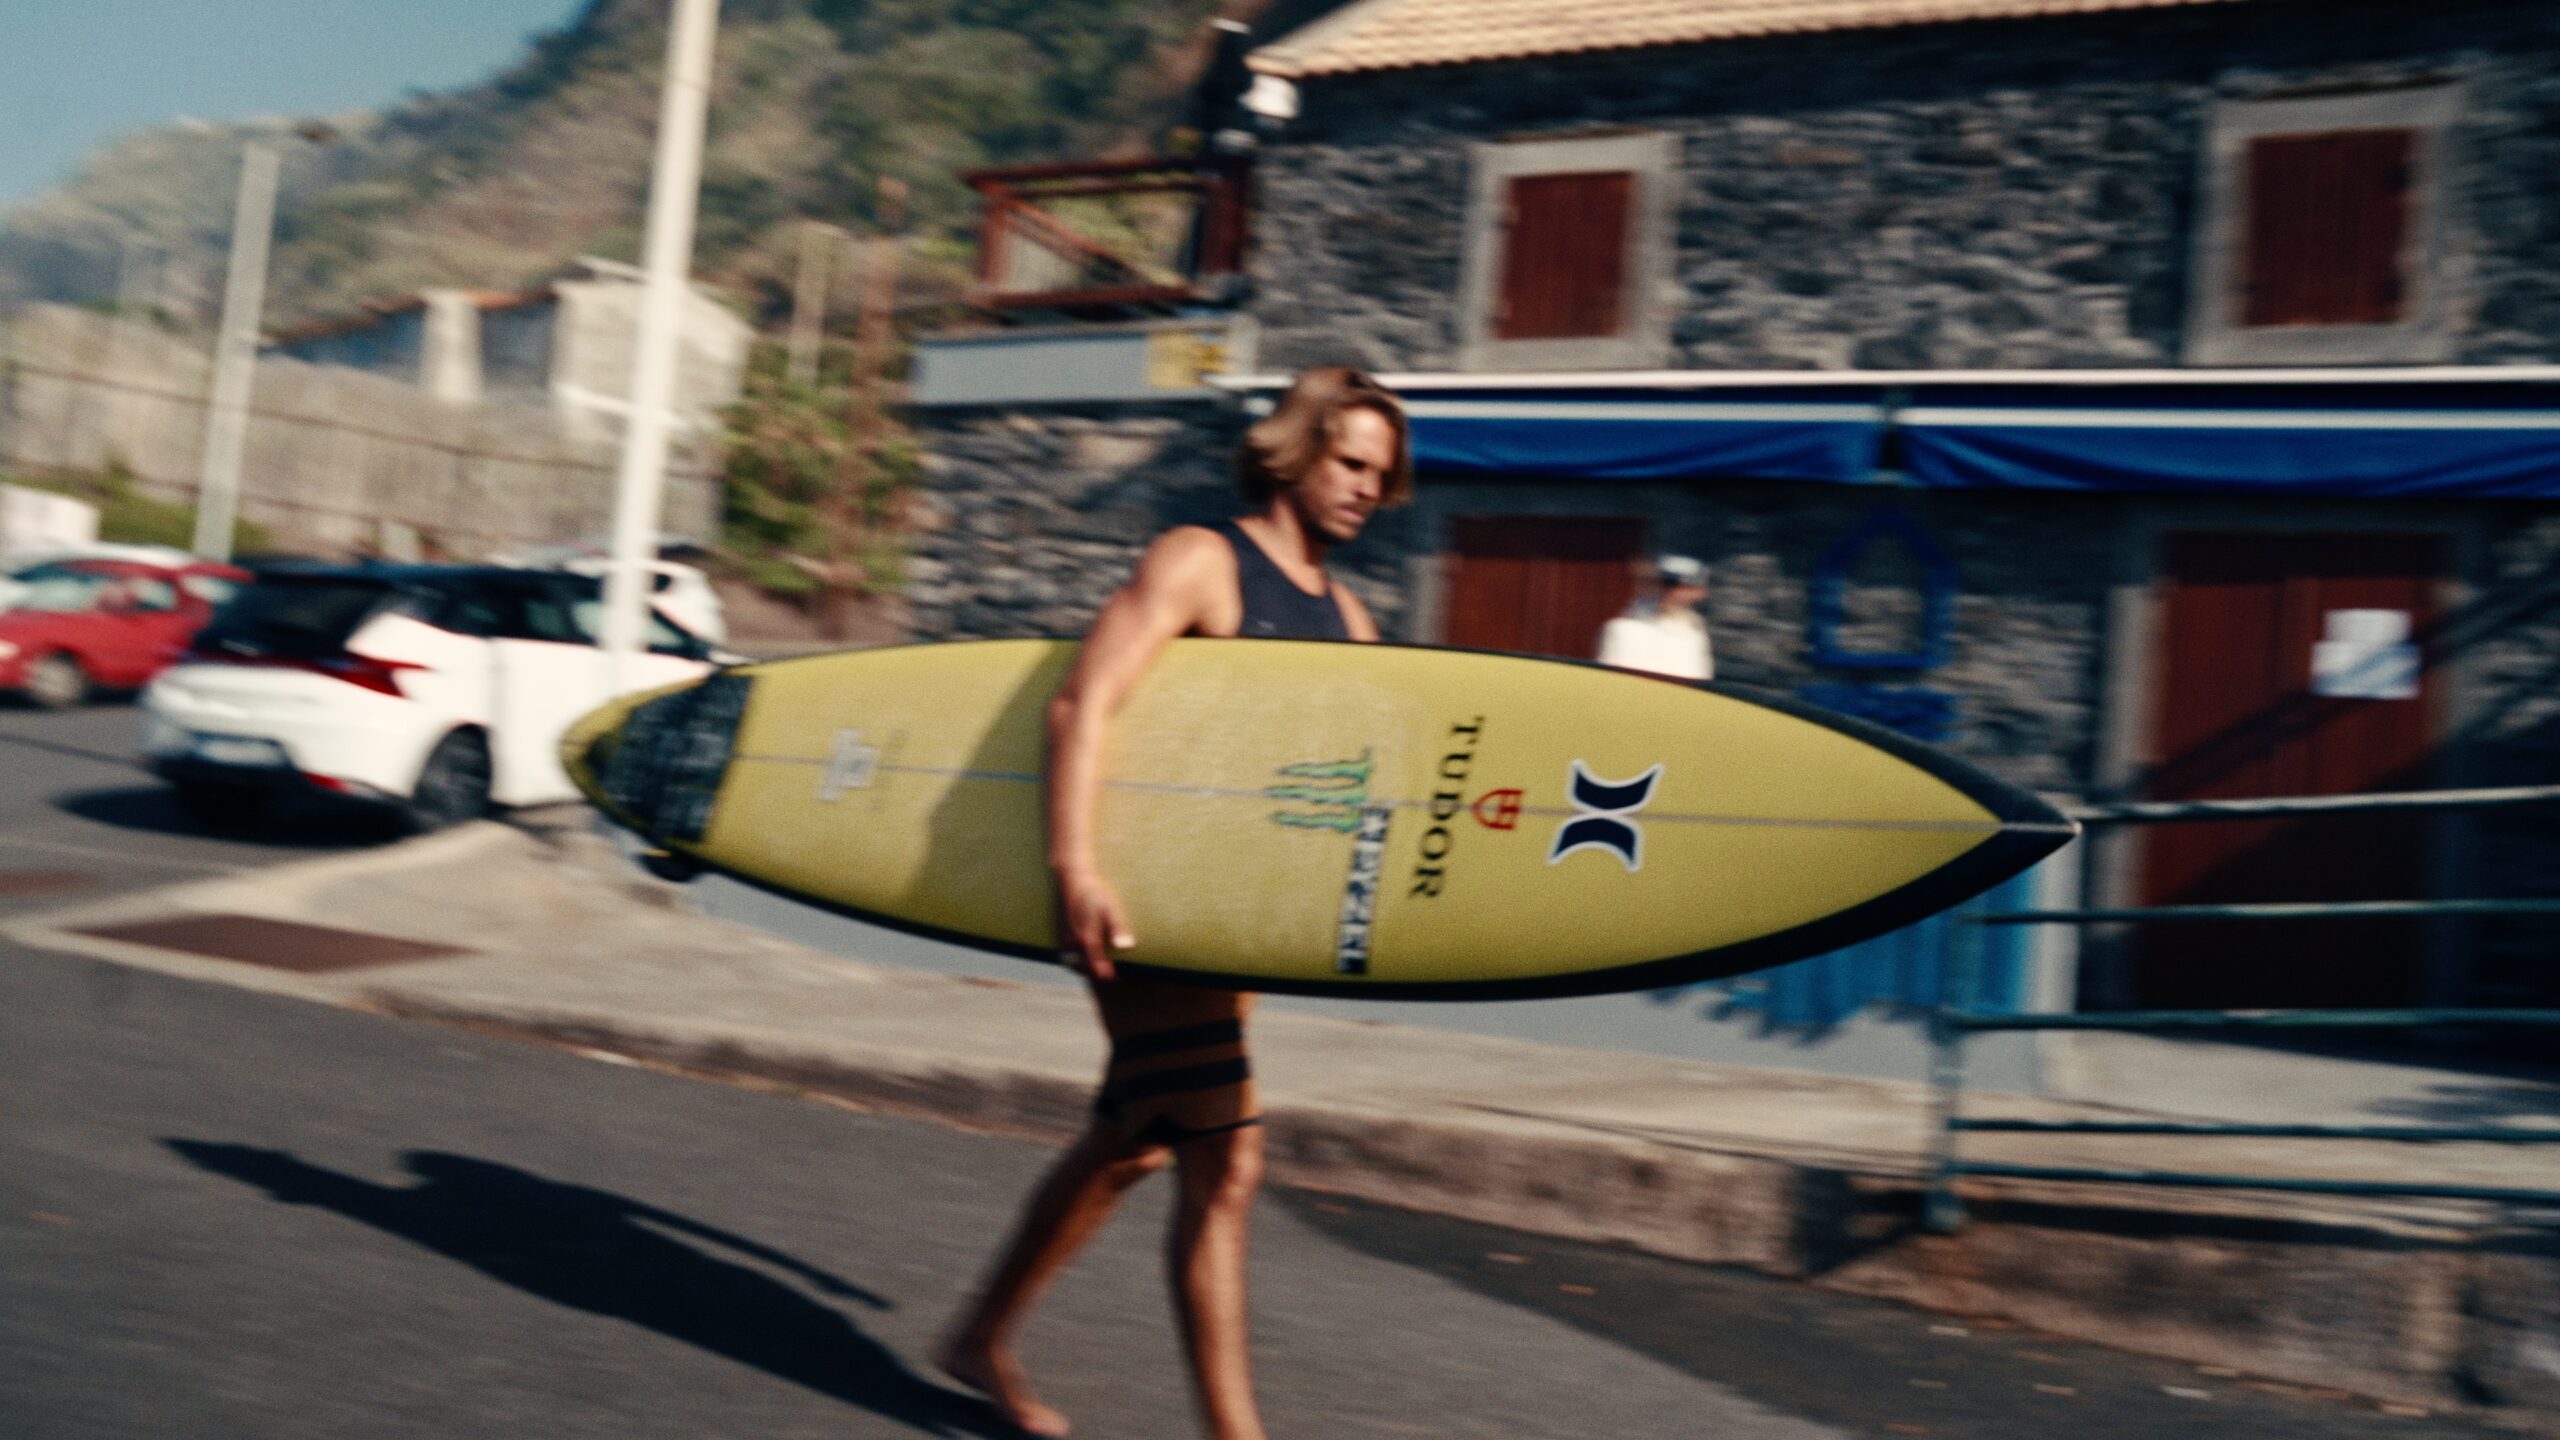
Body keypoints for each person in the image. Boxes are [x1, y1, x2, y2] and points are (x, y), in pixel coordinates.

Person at [940, 366, 1412, 1440]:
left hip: (1225, 915)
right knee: (1225, 1161)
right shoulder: (1204, 561)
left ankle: (978, 1338)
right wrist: (1075, 865)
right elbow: (1084, 704)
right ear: (1295, 451)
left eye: (1379, 476)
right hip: (1135, 896)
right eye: (1349, 463)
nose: (1364, 490)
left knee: (1139, 1139)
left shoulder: (1350, 619)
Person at [1596, 553, 1714, 681]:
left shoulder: (1695, 635)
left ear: (1699, 593)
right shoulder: (1623, 630)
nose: (1671, 593)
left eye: (1683, 587)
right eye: (1666, 584)